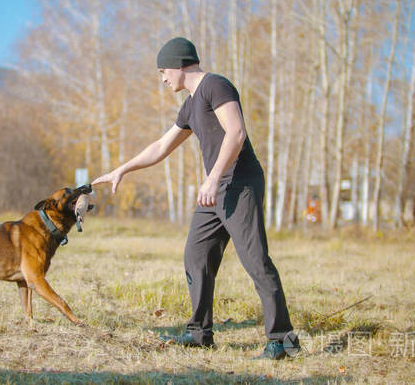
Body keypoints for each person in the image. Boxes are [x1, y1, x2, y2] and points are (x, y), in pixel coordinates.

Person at [92, 37, 299, 360]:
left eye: (163, 71)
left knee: (255, 260)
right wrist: (123, 169)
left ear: (178, 64)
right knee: (196, 253)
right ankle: (200, 332)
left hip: (239, 184)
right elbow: (161, 146)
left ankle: (283, 339)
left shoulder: (216, 85)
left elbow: (236, 132)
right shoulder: (190, 104)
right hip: (216, 190)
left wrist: (214, 177)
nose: (162, 78)